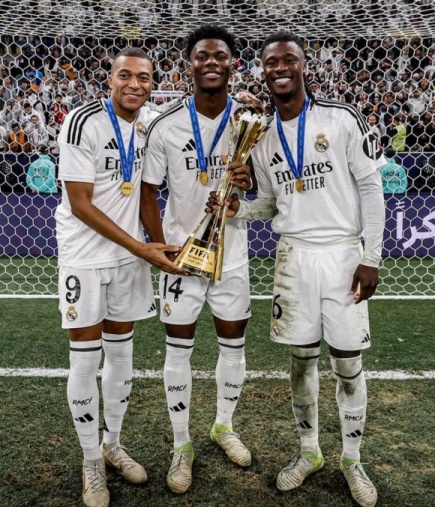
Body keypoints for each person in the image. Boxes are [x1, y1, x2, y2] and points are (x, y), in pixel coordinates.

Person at [209, 30, 385, 507]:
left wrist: (370, 257)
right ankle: (310, 452)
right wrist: (237, 210)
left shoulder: (341, 118)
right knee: (301, 360)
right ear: (263, 71)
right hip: (294, 256)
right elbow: (268, 203)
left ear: (304, 65)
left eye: (289, 60)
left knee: (347, 364)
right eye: (271, 63)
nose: (280, 68)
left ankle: (352, 459)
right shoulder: (262, 137)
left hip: (343, 255)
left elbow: (371, 188)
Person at [55, 47, 185, 507]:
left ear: (153, 83)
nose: (134, 84)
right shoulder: (82, 121)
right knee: (84, 361)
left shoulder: (151, 123)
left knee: (121, 355)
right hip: (85, 258)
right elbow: (80, 204)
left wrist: (242, 102)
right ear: (110, 79)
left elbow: (191, 118)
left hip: (129, 260)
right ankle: (91, 460)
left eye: (143, 78)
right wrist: (142, 246)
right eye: (125, 75)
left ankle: (111, 444)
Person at [140, 24, 257, 495]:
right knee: (178, 350)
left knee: (234, 346)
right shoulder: (165, 124)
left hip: (232, 256)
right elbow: (148, 192)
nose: (211, 62)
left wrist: (243, 193)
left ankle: (223, 426)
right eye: (202, 56)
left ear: (232, 64)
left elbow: (262, 189)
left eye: (220, 56)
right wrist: (158, 248)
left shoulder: (250, 121)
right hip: (181, 258)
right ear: (188, 64)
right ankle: (181, 444)